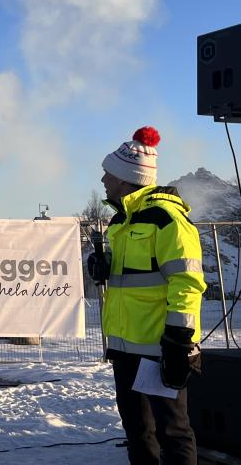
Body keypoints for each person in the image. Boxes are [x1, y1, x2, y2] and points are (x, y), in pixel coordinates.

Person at [89, 126, 205, 464]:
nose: (103, 180)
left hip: (160, 349)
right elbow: (132, 278)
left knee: (173, 432)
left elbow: (187, 281)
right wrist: (103, 267)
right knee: (137, 431)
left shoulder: (167, 220)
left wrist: (178, 339)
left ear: (127, 178)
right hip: (126, 348)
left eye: (108, 174)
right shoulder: (120, 222)